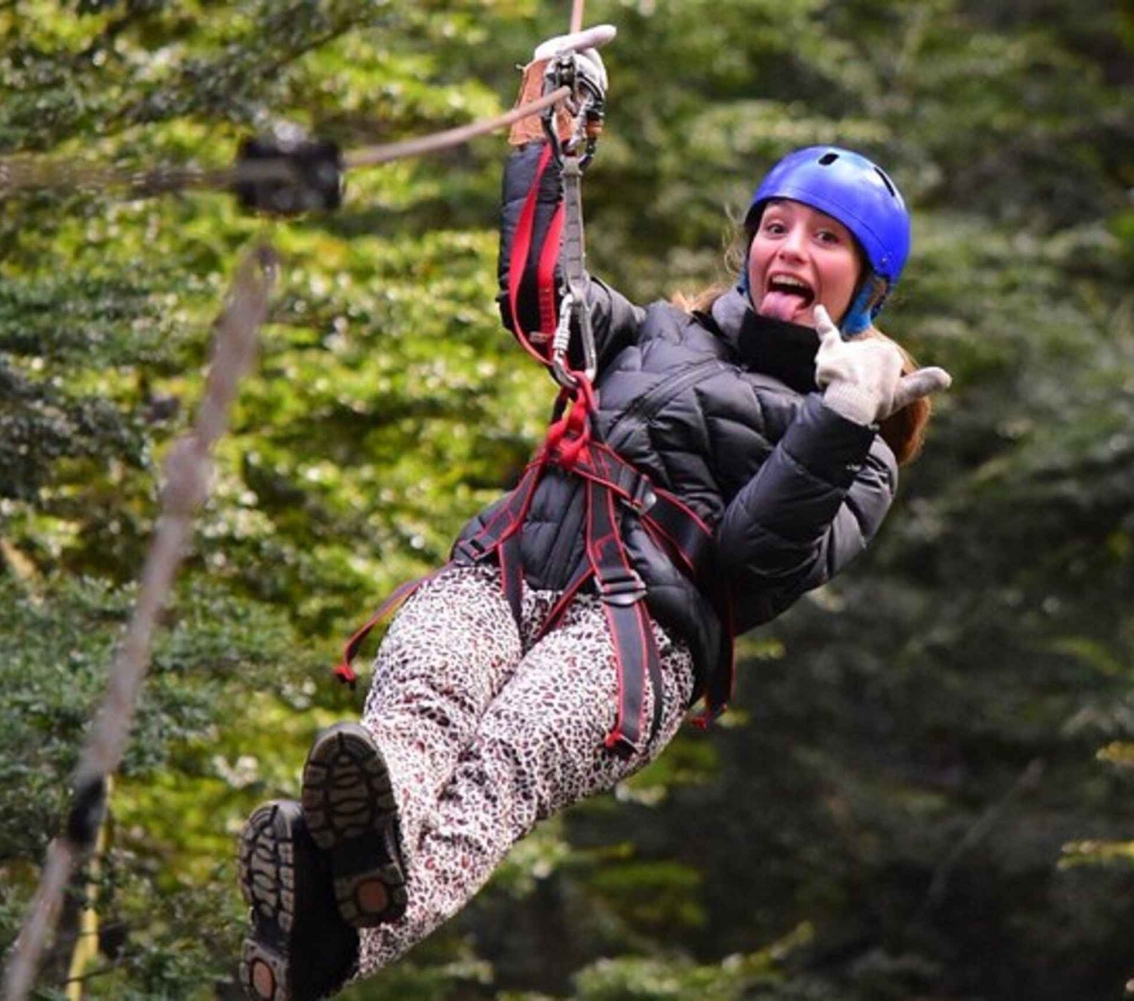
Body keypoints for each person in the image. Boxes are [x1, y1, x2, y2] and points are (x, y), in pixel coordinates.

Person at [234, 26, 951, 1001]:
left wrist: (838, 415)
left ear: (866, 287)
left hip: (634, 636)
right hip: (508, 562)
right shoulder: (660, 331)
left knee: (503, 760)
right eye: (778, 226)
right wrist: (544, 135)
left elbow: (747, 559)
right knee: (420, 698)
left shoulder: (861, 453)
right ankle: (328, 903)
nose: (794, 249)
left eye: (828, 240)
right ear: (750, 244)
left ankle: (329, 939)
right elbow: (543, 302)